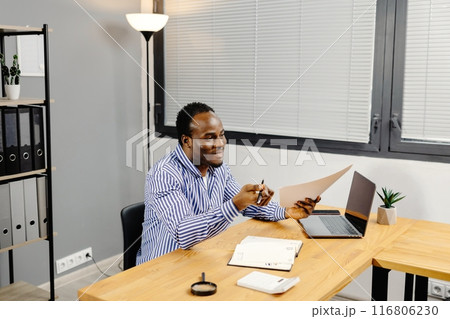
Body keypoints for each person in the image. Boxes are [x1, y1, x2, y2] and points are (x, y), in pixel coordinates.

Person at [136, 102, 320, 265]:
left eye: (221, 135)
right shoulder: (164, 174)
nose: (221, 143)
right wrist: (235, 204)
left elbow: (247, 206)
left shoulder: (218, 168)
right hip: (163, 266)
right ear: (187, 141)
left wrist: (287, 212)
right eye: (210, 137)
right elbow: (184, 234)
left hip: (202, 256)